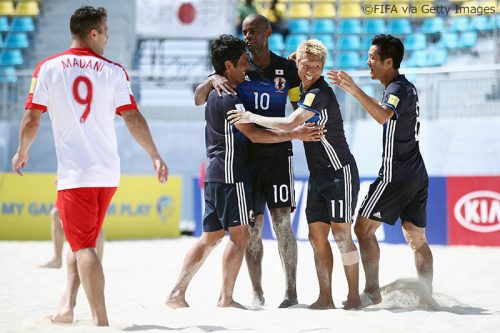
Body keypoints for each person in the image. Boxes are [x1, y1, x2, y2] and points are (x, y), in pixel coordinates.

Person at [11, 6, 168, 326]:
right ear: (92, 33)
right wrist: (154, 154)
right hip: (108, 173)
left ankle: (101, 321)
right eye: (105, 30)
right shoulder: (114, 71)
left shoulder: (48, 67)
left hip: (75, 175)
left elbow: (31, 118)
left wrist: (21, 151)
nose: (108, 35)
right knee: (84, 240)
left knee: (83, 248)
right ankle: (66, 306)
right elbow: (132, 117)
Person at [166, 34, 323, 310]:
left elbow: (200, 96)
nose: (246, 69)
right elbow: (254, 135)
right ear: (227, 66)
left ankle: (177, 292)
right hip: (232, 174)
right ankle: (226, 298)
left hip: (215, 173)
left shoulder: (218, 91)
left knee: (210, 237)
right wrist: (294, 134)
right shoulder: (230, 97)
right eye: (240, 64)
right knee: (240, 237)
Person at [228, 39, 361, 310]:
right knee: (316, 238)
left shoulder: (318, 93)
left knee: (342, 236)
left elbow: (290, 123)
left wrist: (251, 117)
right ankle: (325, 297)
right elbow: (295, 78)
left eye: (316, 66)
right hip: (318, 177)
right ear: (297, 65)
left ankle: (355, 296)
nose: (310, 69)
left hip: (340, 173)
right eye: (305, 64)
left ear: (323, 68)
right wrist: (296, 62)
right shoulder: (303, 88)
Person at [194, 14, 301, 308]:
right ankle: (257, 291)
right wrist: (210, 79)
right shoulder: (239, 66)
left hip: (278, 156)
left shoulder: (287, 68)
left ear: (268, 32)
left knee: (282, 224)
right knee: (252, 229)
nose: (248, 36)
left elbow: (299, 106)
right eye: (244, 31)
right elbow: (198, 98)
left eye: (253, 31)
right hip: (247, 159)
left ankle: (291, 292)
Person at [327, 34, 433, 307]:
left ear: (389, 62)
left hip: (396, 172)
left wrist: (352, 88)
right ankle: (426, 297)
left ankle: (372, 291)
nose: (368, 61)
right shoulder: (406, 87)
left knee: (362, 229)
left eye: (372, 57)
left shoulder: (397, 88)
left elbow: (382, 115)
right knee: (418, 239)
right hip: (417, 171)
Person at [39, 189, 104, 269]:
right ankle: (57, 259)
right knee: (55, 213)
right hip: (70, 181)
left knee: (96, 218)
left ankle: (97, 262)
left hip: (92, 181)